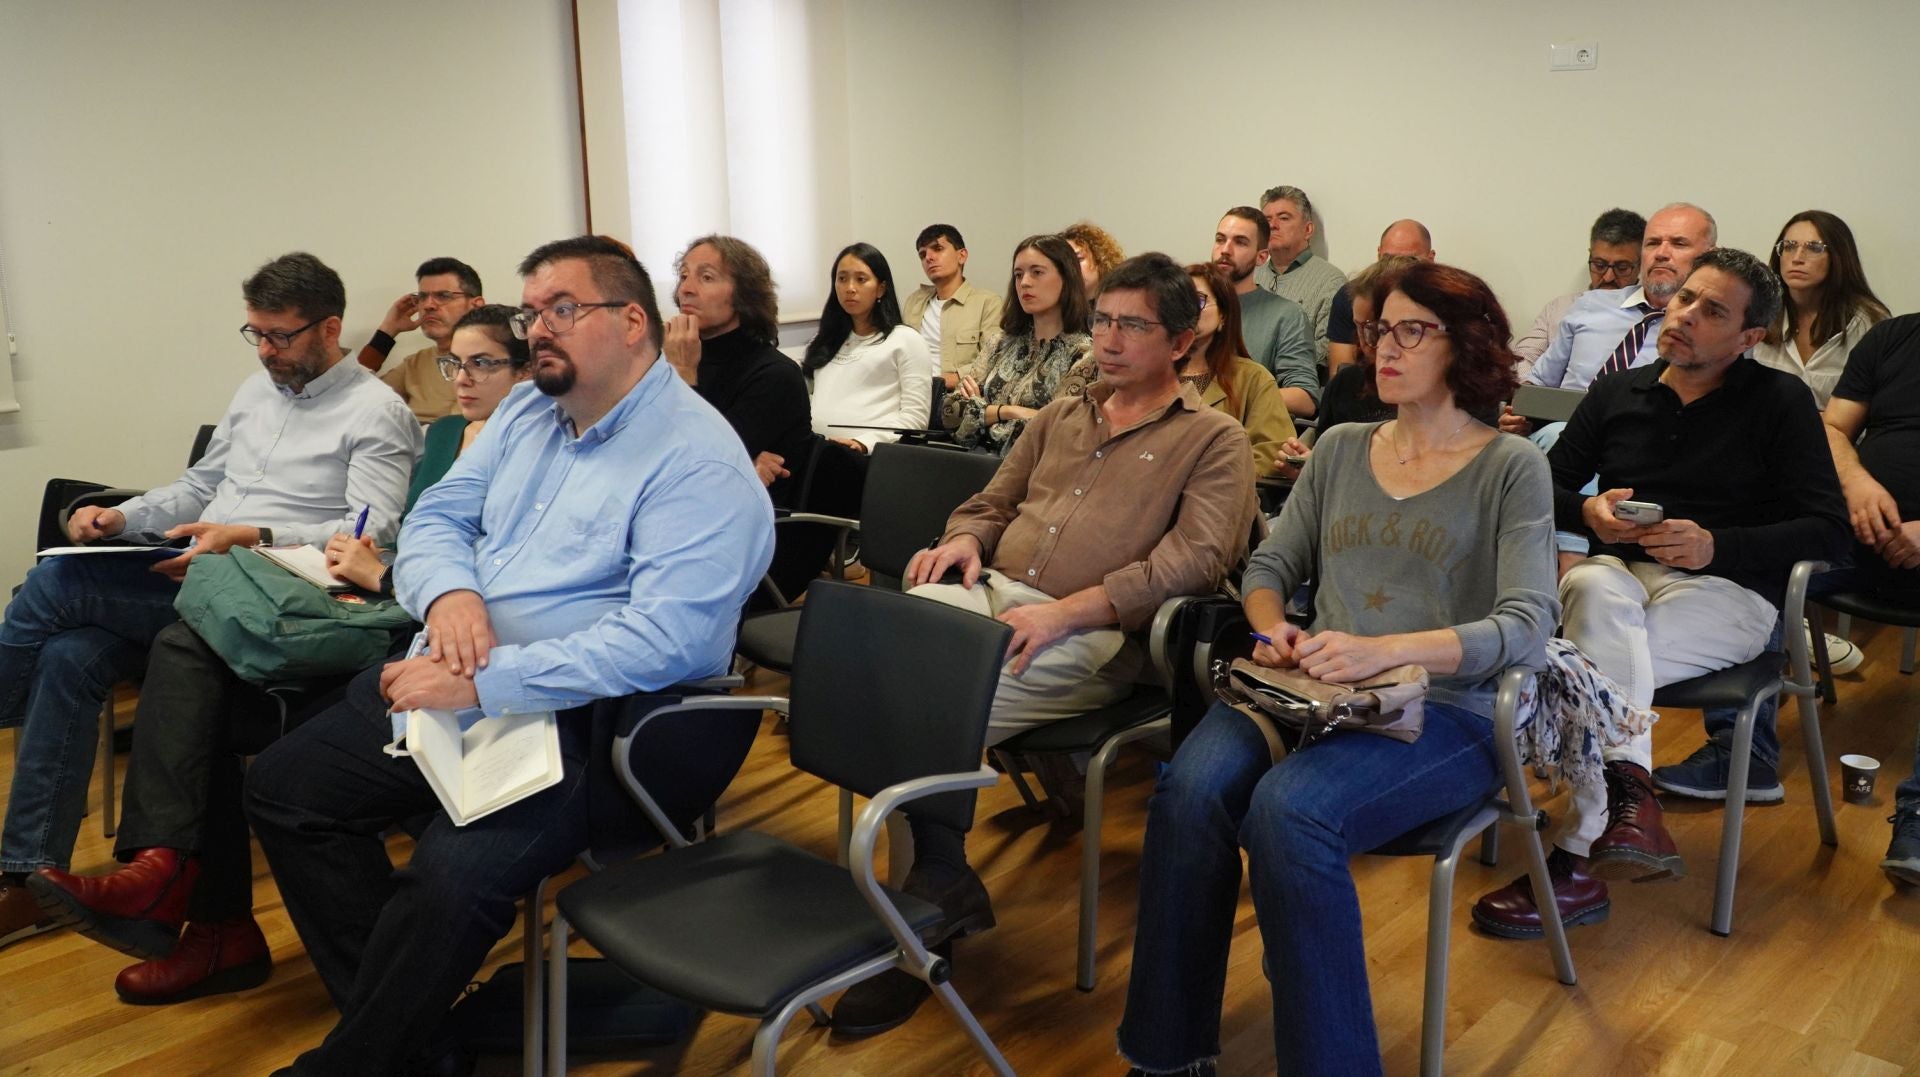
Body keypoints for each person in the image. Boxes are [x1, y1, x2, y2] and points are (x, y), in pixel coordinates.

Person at [241, 235, 774, 1076]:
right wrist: (451, 594)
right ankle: (418, 1043)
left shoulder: (697, 461)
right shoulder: (529, 411)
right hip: (455, 672)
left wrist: (482, 681)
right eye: (532, 312)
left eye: (563, 309)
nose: (539, 330)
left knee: (448, 885)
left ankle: (359, 1059)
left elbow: (662, 639)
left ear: (633, 322)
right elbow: (440, 515)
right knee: (283, 788)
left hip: (593, 722)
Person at [1118, 261, 1555, 1076]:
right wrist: (1273, 626)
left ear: (1466, 344)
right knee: (1187, 790)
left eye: (1410, 330)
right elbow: (1268, 565)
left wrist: (1383, 649)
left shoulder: (1510, 466)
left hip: (1447, 710)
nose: (1383, 347)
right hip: (1312, 687)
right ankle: (1165, 1056)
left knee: (1290, 812)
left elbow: (1528, 627)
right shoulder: (1342, 448)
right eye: (1378, 329)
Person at [24, 306, 529, 1002]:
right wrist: (370, 562)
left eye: (483, 364)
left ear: (527, 371)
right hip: (360, 597)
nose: (462, 377)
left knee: (154, 646)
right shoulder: (444, 434)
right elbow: (412, 536)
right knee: (153, 663)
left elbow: (488, 576)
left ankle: (197, 908)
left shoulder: (527, 448)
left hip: (414, 634)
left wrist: (375, 568)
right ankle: (186, 899)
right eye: (454, 363)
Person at [830, 253, 1257, 1039]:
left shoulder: (1214, 437)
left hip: (1099, 631)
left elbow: (1194, 560)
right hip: (993, 590)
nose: (1110, 339)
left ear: (1182, 338)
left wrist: (1070, 612)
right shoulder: (1066, 412)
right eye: (1103, 321)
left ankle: (917, 924)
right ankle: (943, 877)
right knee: (878, 661)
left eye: (1134, 325)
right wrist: (963, 538)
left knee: (919, 711)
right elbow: (991, 499)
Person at [0, 253, 420, 952]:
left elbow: (369, 531)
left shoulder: (377, 411)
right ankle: (24, 878)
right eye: (254, 332)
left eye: (280, 336)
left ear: (330, 328)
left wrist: (252, 534)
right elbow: (200, 485)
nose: (265, 350)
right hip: (200, 573)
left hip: (273, 592)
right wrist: (123, 515)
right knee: (72, 654)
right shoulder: (255, 392)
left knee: (54, 587)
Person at [1472, 249, 1850, 935]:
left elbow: (1829, 530)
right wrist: (1586, 513)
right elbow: (1544, 489)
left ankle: (1580, 850)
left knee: (1578, 664)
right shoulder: (1620, 393)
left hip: (1728, 591)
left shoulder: (1780, 401)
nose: (1685, 317)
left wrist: (1717, 544)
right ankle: (1621, 817)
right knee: (1593, 587)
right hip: (1616, 579)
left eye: (1713, 312)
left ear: (1749, 338)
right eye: (1685, 300)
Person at [1818, 313, 1920, 888]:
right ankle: (1743, 752)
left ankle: (1918, 815)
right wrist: (1856, 482)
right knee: (1756, 570)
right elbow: (1833, 429)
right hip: (1859, 536)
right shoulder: (1894, 337)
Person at [663, 234, 813, 502]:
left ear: (744, 294)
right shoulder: (670, 358)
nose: (686, 288)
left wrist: (683, 373)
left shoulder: (775, 375)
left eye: (706, 277)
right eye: (684, 276)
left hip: (756, 528)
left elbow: (697, 465)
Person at [1513, 202, 1715, 402]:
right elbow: (1538, 381)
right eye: (1652, 243)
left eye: (1678, 243)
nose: (1661, 253)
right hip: (1559, 426)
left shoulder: (1710, 328)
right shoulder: (1588, 304)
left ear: (1710, 255)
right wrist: (1520, 413)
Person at [944, 233, 1095, 455]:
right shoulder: (1000, 343)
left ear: (1067, 278)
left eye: (1037, 272)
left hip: (1034, 477)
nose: (1024, 282)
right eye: (1018, 274)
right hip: (974, 467)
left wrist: (982, 411)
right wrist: (1011, 412)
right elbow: (950, 411)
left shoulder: (1085, 353)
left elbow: (1055, 429)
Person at [802, 241, 933, 456]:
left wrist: (863, 443)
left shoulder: (905, 340)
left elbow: (915, 419)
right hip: (818, 452)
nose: (849, 288)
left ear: (881, 288)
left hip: (870, 459)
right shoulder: (823, 340)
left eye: (861, 279)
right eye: (842, 279)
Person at [1752, 210, 1890, 409]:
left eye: (1814, 248)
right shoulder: (1759, 312)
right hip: (1767, 436)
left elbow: (1881, 406)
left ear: (1838, 257)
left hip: (1842, 436)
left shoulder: (1869, 321)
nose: (1797, 258)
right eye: (1789, 247)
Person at [1184, 262, 1295, 477]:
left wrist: (1204, 478)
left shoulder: (1253, 379)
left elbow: (1272, 452)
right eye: (1177, 302)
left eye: (1196, 300)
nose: (1185, 310)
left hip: (1220, 498)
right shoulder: (1148, 375)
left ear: (1223, 316)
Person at [1210, 207, 1317, 417]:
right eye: (1220, 239)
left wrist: (1232, 397)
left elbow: (1305, 398)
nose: (1225, 250)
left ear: (1261, 257)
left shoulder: (1286, 314)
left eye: (1240, 242)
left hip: (1242, 431)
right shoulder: (1189, 303)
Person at [1511, 209, 1648, 373]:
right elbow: (1523, 357)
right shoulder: (1559, 309)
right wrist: (1532, 389)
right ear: (1590, 256)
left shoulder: (1652, 318)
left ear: (1641, 264)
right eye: (1599, 265)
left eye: (1622, 268)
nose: (1608, 277)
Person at [355, 257, 487, 424]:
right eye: (423, 297)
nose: (428, 305)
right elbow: (354, 396)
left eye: (443, 296)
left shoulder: (494, 361)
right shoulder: (415, 363)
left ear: (476, 306)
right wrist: (387, 331)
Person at [1325, 219, 1439, 376]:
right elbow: (1340, 372)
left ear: (1430, 259)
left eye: (1408, 261)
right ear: (1378, 254)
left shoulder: (1445, 301)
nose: (1395, 269)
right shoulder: (1353, 296)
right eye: (1388, 259)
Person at [900, 224, 1005, 389]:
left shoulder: (987, 302)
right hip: (912, 393)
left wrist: (947, 379)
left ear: (962, 256)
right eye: (922, 254)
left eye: (938, 248)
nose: (929, 257)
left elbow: (995, 359)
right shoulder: (914, 301)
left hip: (956, 397)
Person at [1254, 184, 1346, 369]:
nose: (1272, 225)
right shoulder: (1250, 275)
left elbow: (1326, 351)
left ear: (1308, 229)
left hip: (1295, 386)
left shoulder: (1331, 281)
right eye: (1267, 219)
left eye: (1284, 218)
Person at [1060, 220, 1125, 298]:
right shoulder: (1059, 307)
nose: (1071, 267)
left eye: (1078, 259)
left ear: (1100, 259)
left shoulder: (1122, 301)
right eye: (1064, 261)